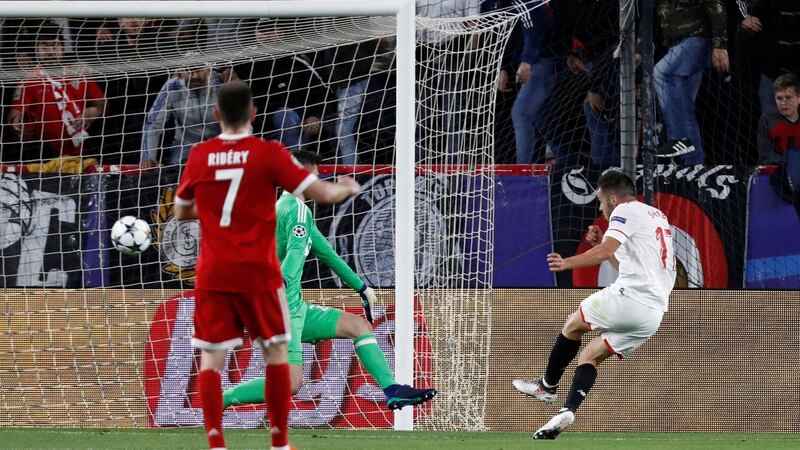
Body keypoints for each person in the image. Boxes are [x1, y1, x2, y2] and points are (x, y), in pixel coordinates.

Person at [174, 80, 361, 450]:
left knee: (212, 358)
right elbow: (319, 193)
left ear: (216, 115)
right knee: (277, 357)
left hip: (214, 271)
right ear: (254, 114)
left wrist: (212, 210)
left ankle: (215, 442)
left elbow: (181, 211)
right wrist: (346, 188)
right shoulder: (267, 152)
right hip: (257, 272)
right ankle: (279, 442)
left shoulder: (200, 155)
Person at [222, 150, 437, 411]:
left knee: (359, 326)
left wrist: (362, 287)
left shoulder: (288, 210)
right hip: (280, 308)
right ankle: (222, 398)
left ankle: (392, 390)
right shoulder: (296, 210)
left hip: (294, 306)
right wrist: (286, 280)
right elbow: (293, 254)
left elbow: (329, 255)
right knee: (290, 382)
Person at [512, 170, 676, 439]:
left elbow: (605, 252)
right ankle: (567, 410)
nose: (600, 207)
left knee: (573, 325)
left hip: (630, 298)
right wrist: (602, 242)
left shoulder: (625, 212)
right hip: (653, 313)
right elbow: (622, 263)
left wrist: (567, 263)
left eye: (600, 201)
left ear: (613, 199)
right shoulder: (656, 216)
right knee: (590, 356)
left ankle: (547, 386)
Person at [648, 0, 730, 165]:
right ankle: (693, 163)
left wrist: (720, 44)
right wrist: (638, 50)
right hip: (676, 47)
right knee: (684, 107)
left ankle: (678, 142)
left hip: (695, 41)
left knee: (661, 73)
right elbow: (650, 22)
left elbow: (715, 5)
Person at [8, 22, 105, 160]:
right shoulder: (29, 79)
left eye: (55, 45)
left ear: (62, 48)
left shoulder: (78, 72)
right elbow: (15, 114)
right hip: (45, 155)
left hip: (84, 151)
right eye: (44, 46)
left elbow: (102, 105)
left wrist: (90, 113)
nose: (50, 52)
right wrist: (18, 123)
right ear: (36, 49)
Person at [140, 55, 225, 168]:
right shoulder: (171, 87)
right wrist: (148, 157)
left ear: (208, 70)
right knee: (177, 174)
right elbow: (153, 124)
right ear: (180, 72)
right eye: (188, 70)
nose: (193, 75)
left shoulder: (221, 85)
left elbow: (240, 122)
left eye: (197, 70)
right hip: (185, 144)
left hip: (220, 142)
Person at [757, 73, 800, 215]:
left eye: (788, 98)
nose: (783, 103)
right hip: (779, 170)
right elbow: (765, 153)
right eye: (779, 98)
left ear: (799, 98)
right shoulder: (768, 119)